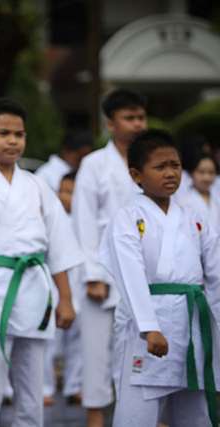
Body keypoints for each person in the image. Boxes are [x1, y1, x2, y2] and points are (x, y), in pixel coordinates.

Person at [0, 97, 83, 427]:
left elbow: (60, 244)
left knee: (33, 393)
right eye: (4, 132)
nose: (13, 140)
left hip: (34, 292)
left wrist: (65, 297)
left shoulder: (37, 186)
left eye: (19, 134)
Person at [99, 129, 220, 427]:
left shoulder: (195, 218)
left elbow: (216, 274)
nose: (170, 173)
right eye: (160, 166)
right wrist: (149, 327)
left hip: (192, 322)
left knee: (196, 415)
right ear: (136, 174)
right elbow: (130, 276)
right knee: (136, 415)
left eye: (175, 165)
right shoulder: (127, 218)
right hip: (147, 328)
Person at [71, 88, 147, 427]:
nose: (137, 124)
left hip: (144, 268)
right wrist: (92, 274)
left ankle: (144, 415)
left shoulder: (149, 160)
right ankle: (95, 416)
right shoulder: (94, 164)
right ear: (110, 123)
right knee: (97, 348)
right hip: (103, 267)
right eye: (129, 118)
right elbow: (83, 221)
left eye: (141, 117)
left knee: (143, 347)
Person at [43, 171, 83, 406]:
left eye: (71, 192)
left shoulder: (84, 222)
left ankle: (74, 385)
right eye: (62, 190)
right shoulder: (54, 219)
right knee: (50, 340)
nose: (64, 197)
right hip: (55, 288)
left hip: (81, 288)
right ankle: (45, 387)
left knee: (78, 341)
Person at [178, 153, 220, 230]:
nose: (206, 177)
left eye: (211, 172)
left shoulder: (217, 197)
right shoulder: (183, 201)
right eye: (201, 172)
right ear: (191, 173)